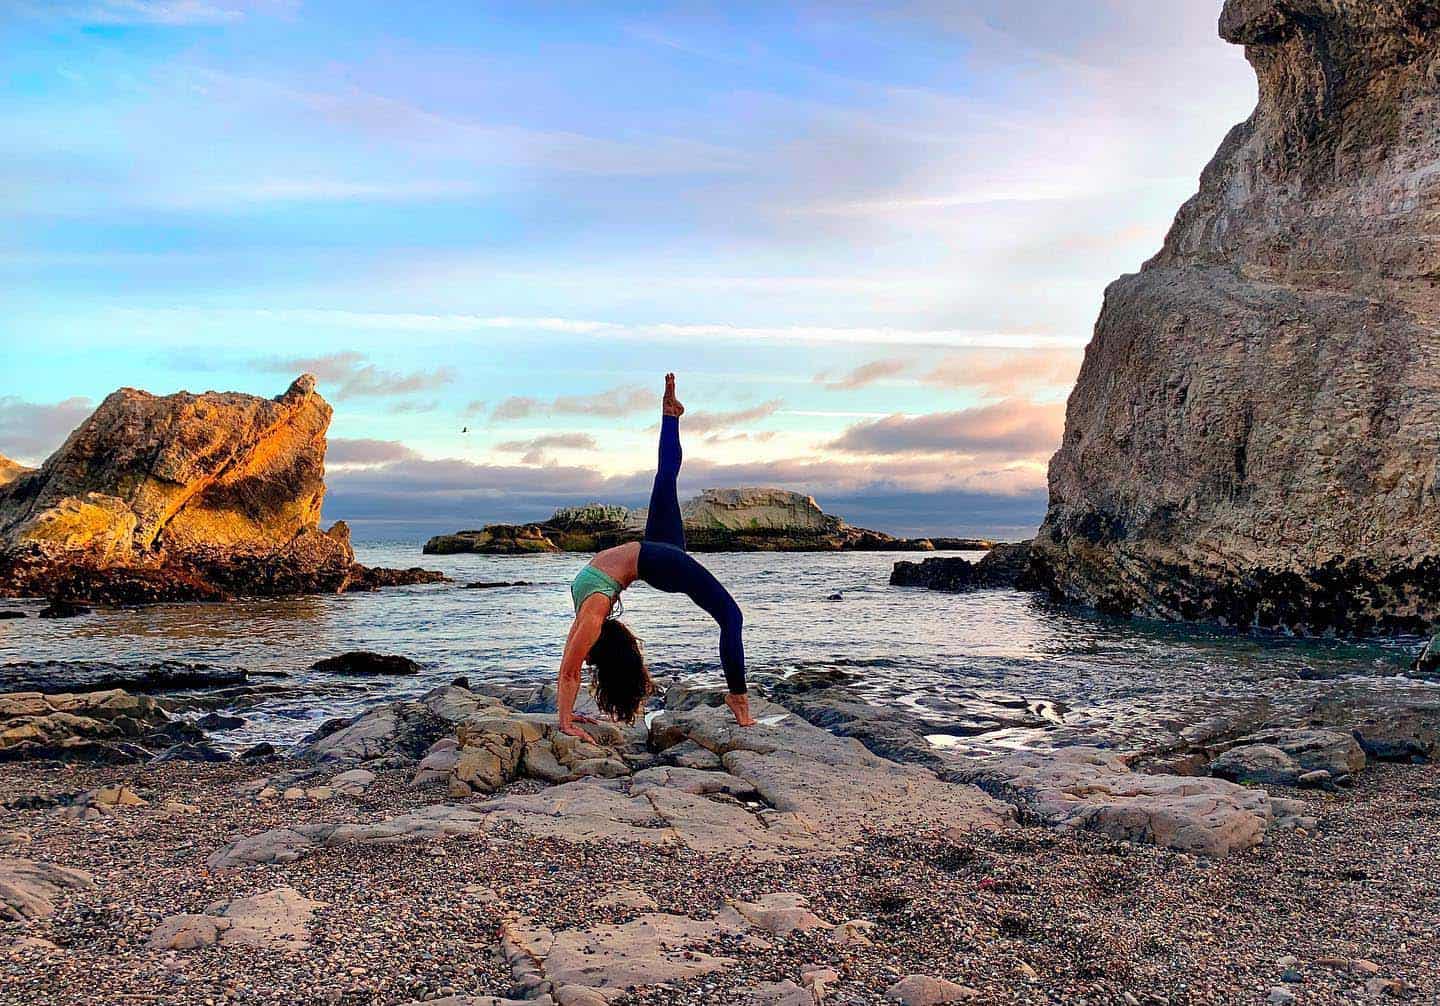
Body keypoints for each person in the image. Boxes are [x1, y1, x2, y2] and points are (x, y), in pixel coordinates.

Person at [556, 374, 755, 741]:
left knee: (665, 479)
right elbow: (571, 672)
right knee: (731, 616)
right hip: (655, 562)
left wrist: (564, 718)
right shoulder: (594, 611)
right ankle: (738, 700)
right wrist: (566, 724)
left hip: (656, 552)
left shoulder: (587, 616)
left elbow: (567, 668)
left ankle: (670, 415)